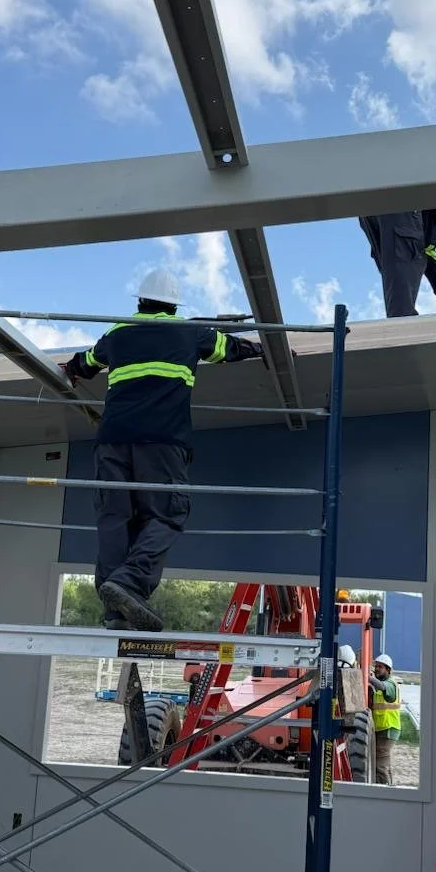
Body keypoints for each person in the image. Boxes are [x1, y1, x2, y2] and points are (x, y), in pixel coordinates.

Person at [62, 269, 264, 631]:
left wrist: (72, 368)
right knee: (167, 514)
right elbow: (228, 349)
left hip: (112, 441)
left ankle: (115, 612)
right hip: (163, 440)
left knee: (115, 519)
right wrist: (261, 349)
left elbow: (86, 362)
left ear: (139, 302)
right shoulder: (186, 331)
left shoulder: (117, 333)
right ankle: (129, 583)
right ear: (173, 306)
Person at [359, 207, 436, 317]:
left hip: (374, 215)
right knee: (409, 263)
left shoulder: (429, 243)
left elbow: (434, 274)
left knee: (398, 274)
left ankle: (401, 322)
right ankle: (404, 324)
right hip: (402, 210)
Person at [368, 653, 401, 783]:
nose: (376, 669)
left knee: (380, 766)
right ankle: (390, 788)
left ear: (388, 670)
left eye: (380, 667)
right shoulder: (380, 685)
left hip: (388, 729)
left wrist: (368, 678)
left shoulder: (390, 684)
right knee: (384, 765)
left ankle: (383, 791)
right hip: (382, 729)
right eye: (376, 666)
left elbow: (383, 688)